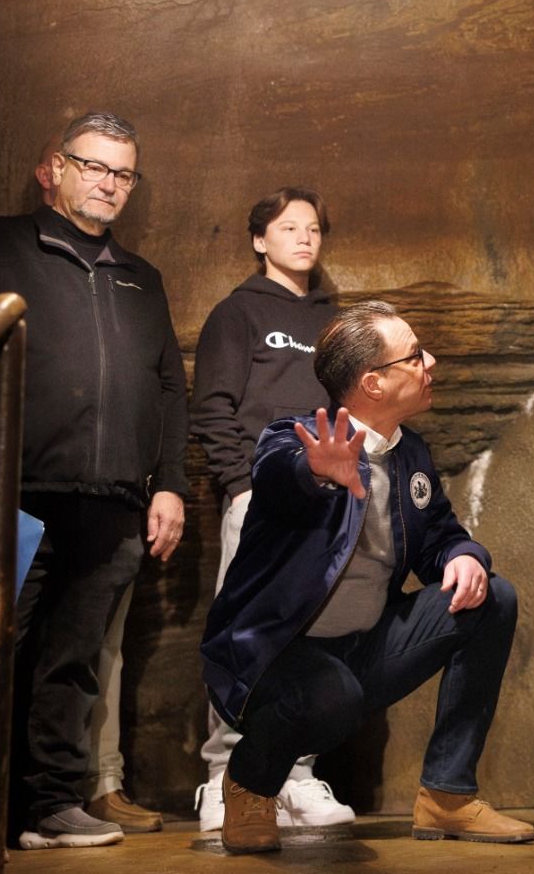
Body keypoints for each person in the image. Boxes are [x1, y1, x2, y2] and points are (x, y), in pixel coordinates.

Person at [200, 301, 532, 854]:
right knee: (332, 697)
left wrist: (464, 555)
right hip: (277, 657)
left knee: (491, 598)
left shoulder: (410, 453)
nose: (432, 362)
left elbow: (440, 535)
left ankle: (446, 796)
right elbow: (281, 476)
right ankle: (249, 784)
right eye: (416, 355)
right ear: (373, 383)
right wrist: (318, 473)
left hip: (364, 648)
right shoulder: (294, 438)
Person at [0, 111, 187, 850]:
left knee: (71, 665)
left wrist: (167, 485)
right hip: (15, 492)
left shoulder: (143, 278)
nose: (108, 183)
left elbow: (169, 386)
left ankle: (48, 805)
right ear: (57, 168)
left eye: (122, 173)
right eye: (95, 166)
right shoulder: (0, 243)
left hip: (111, 504)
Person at [189, 188, 351, 833]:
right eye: (289, 228)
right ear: (261, 240)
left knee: (309, 637)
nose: (304, 238)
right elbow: (214, 407)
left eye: (313, 228)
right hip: (260, 500)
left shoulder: (336, 321)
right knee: (246, 638)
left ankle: (296, 777)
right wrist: (241, 483)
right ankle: (223, 781)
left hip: (329, 505)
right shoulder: (238, 312)